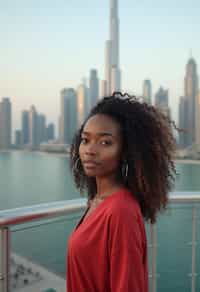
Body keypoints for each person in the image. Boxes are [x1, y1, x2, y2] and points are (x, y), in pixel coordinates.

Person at [67, 92, 176, 292]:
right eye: (86, 140)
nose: (90, 150)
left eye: (105, 142)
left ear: (126, 152)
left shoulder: (120, 211)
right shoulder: (97, 201)